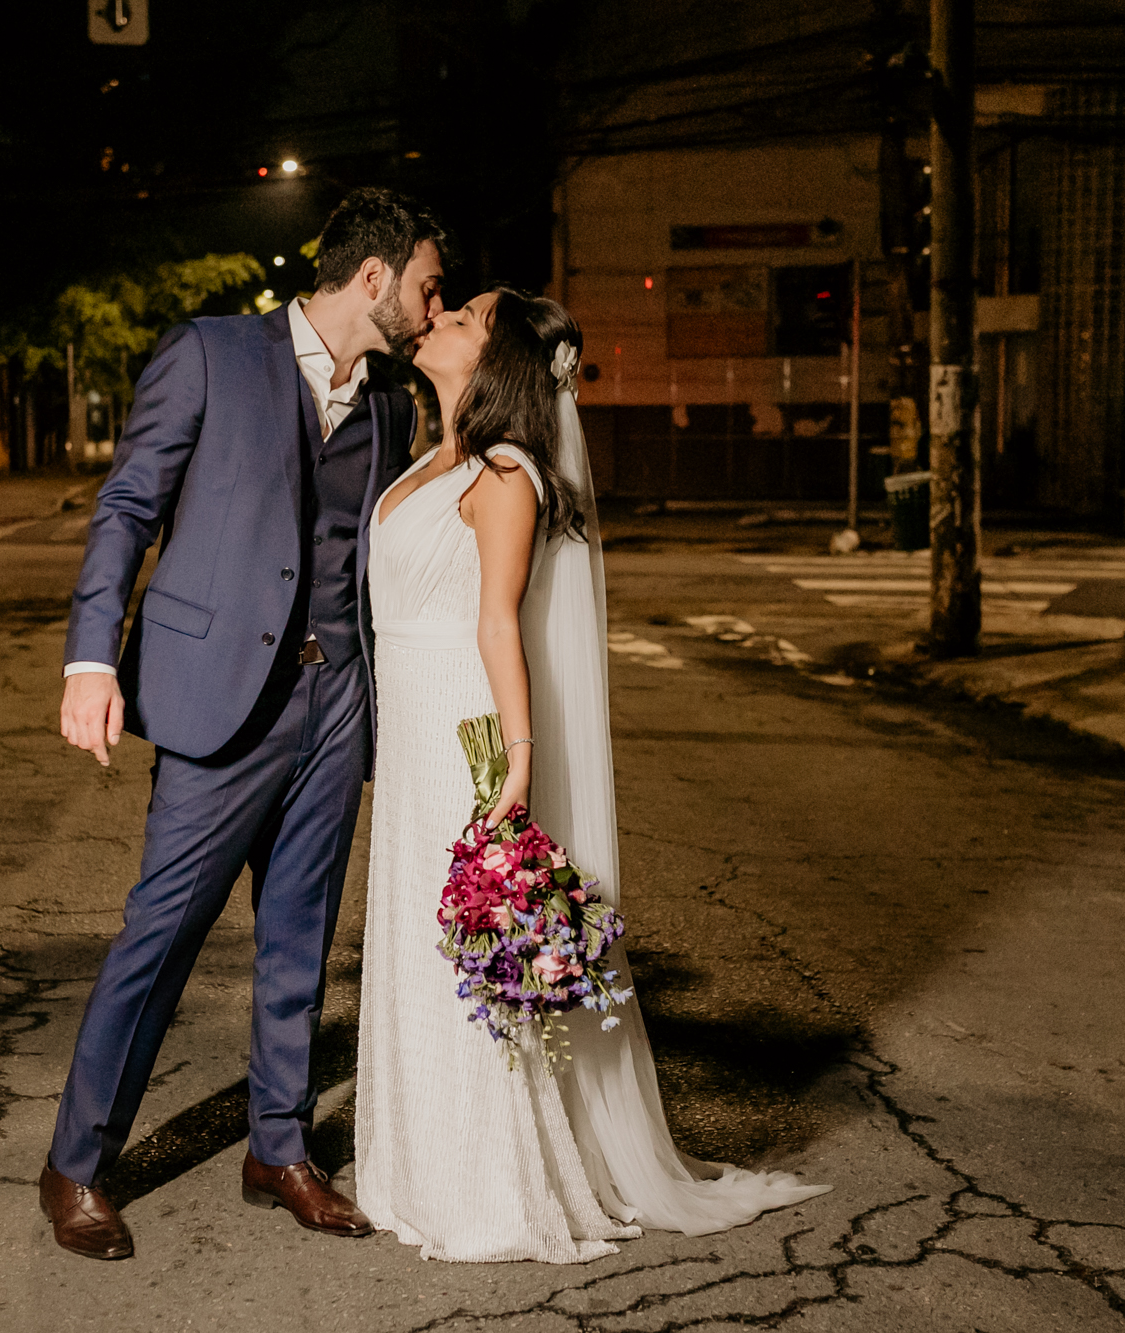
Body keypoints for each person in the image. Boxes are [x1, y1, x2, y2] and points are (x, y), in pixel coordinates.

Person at [355, 287, 830, 1263]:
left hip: (463, 734)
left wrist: (514, 767)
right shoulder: (427, 461)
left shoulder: (505, 472)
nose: (440, 316)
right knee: (414, 939)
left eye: (465, 316)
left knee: (465, 951)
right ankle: (412, 1167)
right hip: (404, 738)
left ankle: (486, 1186)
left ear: (500, 364)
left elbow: (497, 625)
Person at [39, 187, 446, 1260]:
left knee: (299, 940)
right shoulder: (210, 354)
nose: (428, 305)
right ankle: (77, 1161)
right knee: (159, 934)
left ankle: (278, 1145)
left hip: (335, 699)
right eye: (424, 285)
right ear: (373, 277)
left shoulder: (397, 402)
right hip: (219, 697)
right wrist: (91, 656)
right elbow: (128, 506)